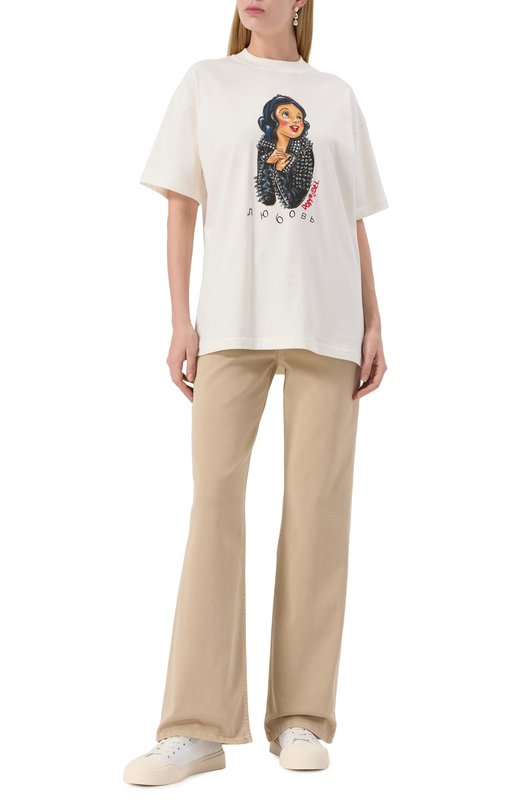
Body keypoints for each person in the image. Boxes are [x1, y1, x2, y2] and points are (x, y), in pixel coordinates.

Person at [124, 0, 389, 787]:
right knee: (214, 507)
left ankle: (302, 716)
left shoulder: (335, 95)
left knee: (317, 513)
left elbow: (349, 220)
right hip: (232, 321)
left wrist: (375, 320)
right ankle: (195, 726)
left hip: (327, 322)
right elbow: (182, 206)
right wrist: (181, 320)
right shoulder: (206, 82)